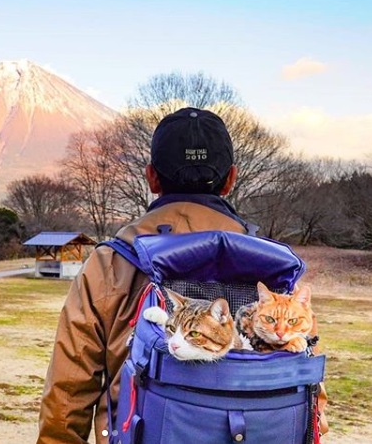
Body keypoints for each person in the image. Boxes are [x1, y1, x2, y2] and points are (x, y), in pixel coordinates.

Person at [36, 107, 326, 443]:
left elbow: (68, 393)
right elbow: (312, 399)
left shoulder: (110, 262)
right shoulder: (273, 269)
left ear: (151, 178)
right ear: (231, 179)